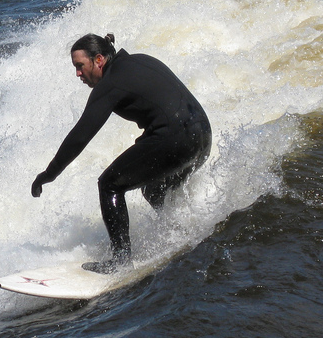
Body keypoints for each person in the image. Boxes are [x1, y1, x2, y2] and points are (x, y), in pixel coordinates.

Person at [31, 33, 212, 274]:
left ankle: (121, 261)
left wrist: (49, 173)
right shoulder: (140, 60)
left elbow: (80, 136)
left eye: (79, 66)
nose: (77, 74)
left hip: (175, 139)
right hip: (202, 136)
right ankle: (180, 232)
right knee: (153, 188)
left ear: (98, 60)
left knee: (109, 184)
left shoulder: (110, 84)